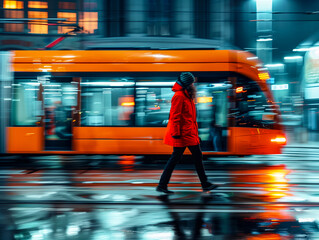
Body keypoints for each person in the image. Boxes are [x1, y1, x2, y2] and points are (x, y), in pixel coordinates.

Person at [156, 72, 218, 194]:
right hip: (182, 134)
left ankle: (163, 185)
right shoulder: (179, 96)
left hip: (188, 133)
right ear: (187, 84)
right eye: (192, 83)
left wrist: (195, 133)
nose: (193, 85)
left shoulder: (186, 95)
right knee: (181, 158)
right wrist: (176, 134)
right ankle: (163, 185)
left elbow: (190, 118)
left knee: (192, 157)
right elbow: (175, 117)